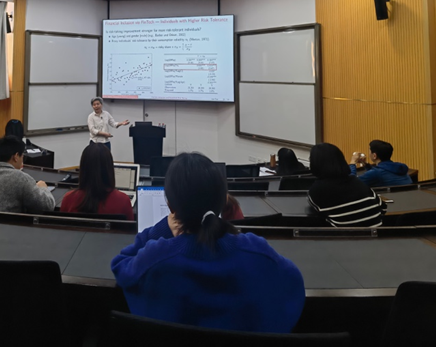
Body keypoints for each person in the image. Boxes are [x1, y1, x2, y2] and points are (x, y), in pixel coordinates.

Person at [111, 152, 305, 333]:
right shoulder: (257, 252)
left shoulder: (156, 258)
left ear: (170, 206)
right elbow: (293, 280)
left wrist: (160, 229)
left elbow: (121, 265)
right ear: (223, 201)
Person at [0, 135, 55, 213]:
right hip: (6, 226)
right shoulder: (21, 179)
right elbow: (47, 206)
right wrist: (43, 188)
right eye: (22, 156)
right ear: (16, 156)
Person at [308, 143, 386, 227]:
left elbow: (319, 217)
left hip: (344, 234)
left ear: (314, 164)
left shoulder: (315, 191)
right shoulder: (358, 182)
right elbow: (383, 208)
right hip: (377, 233)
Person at [60, 143, 134, 220]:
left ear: (83, 168)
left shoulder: (68, 199)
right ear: (109, 168)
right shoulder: (123, 200)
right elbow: (130, 227)